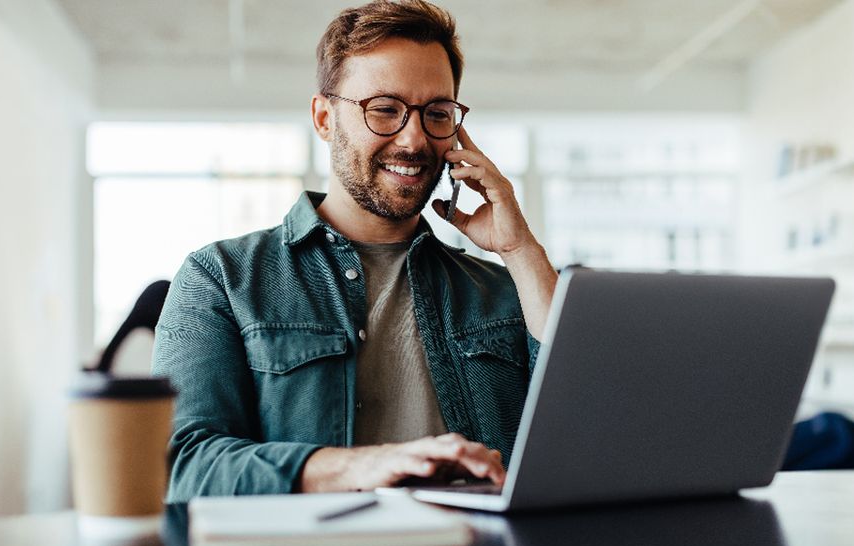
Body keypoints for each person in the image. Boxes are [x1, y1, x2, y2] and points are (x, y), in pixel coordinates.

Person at [154, 0, 558, 500]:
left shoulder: (501, 290)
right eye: (385, 109)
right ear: (324, 117)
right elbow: (180, 465)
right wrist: (364, 466)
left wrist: (520, 250)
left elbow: (588, 435)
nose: (414, 139)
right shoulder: (221, 278)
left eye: (436, 113)